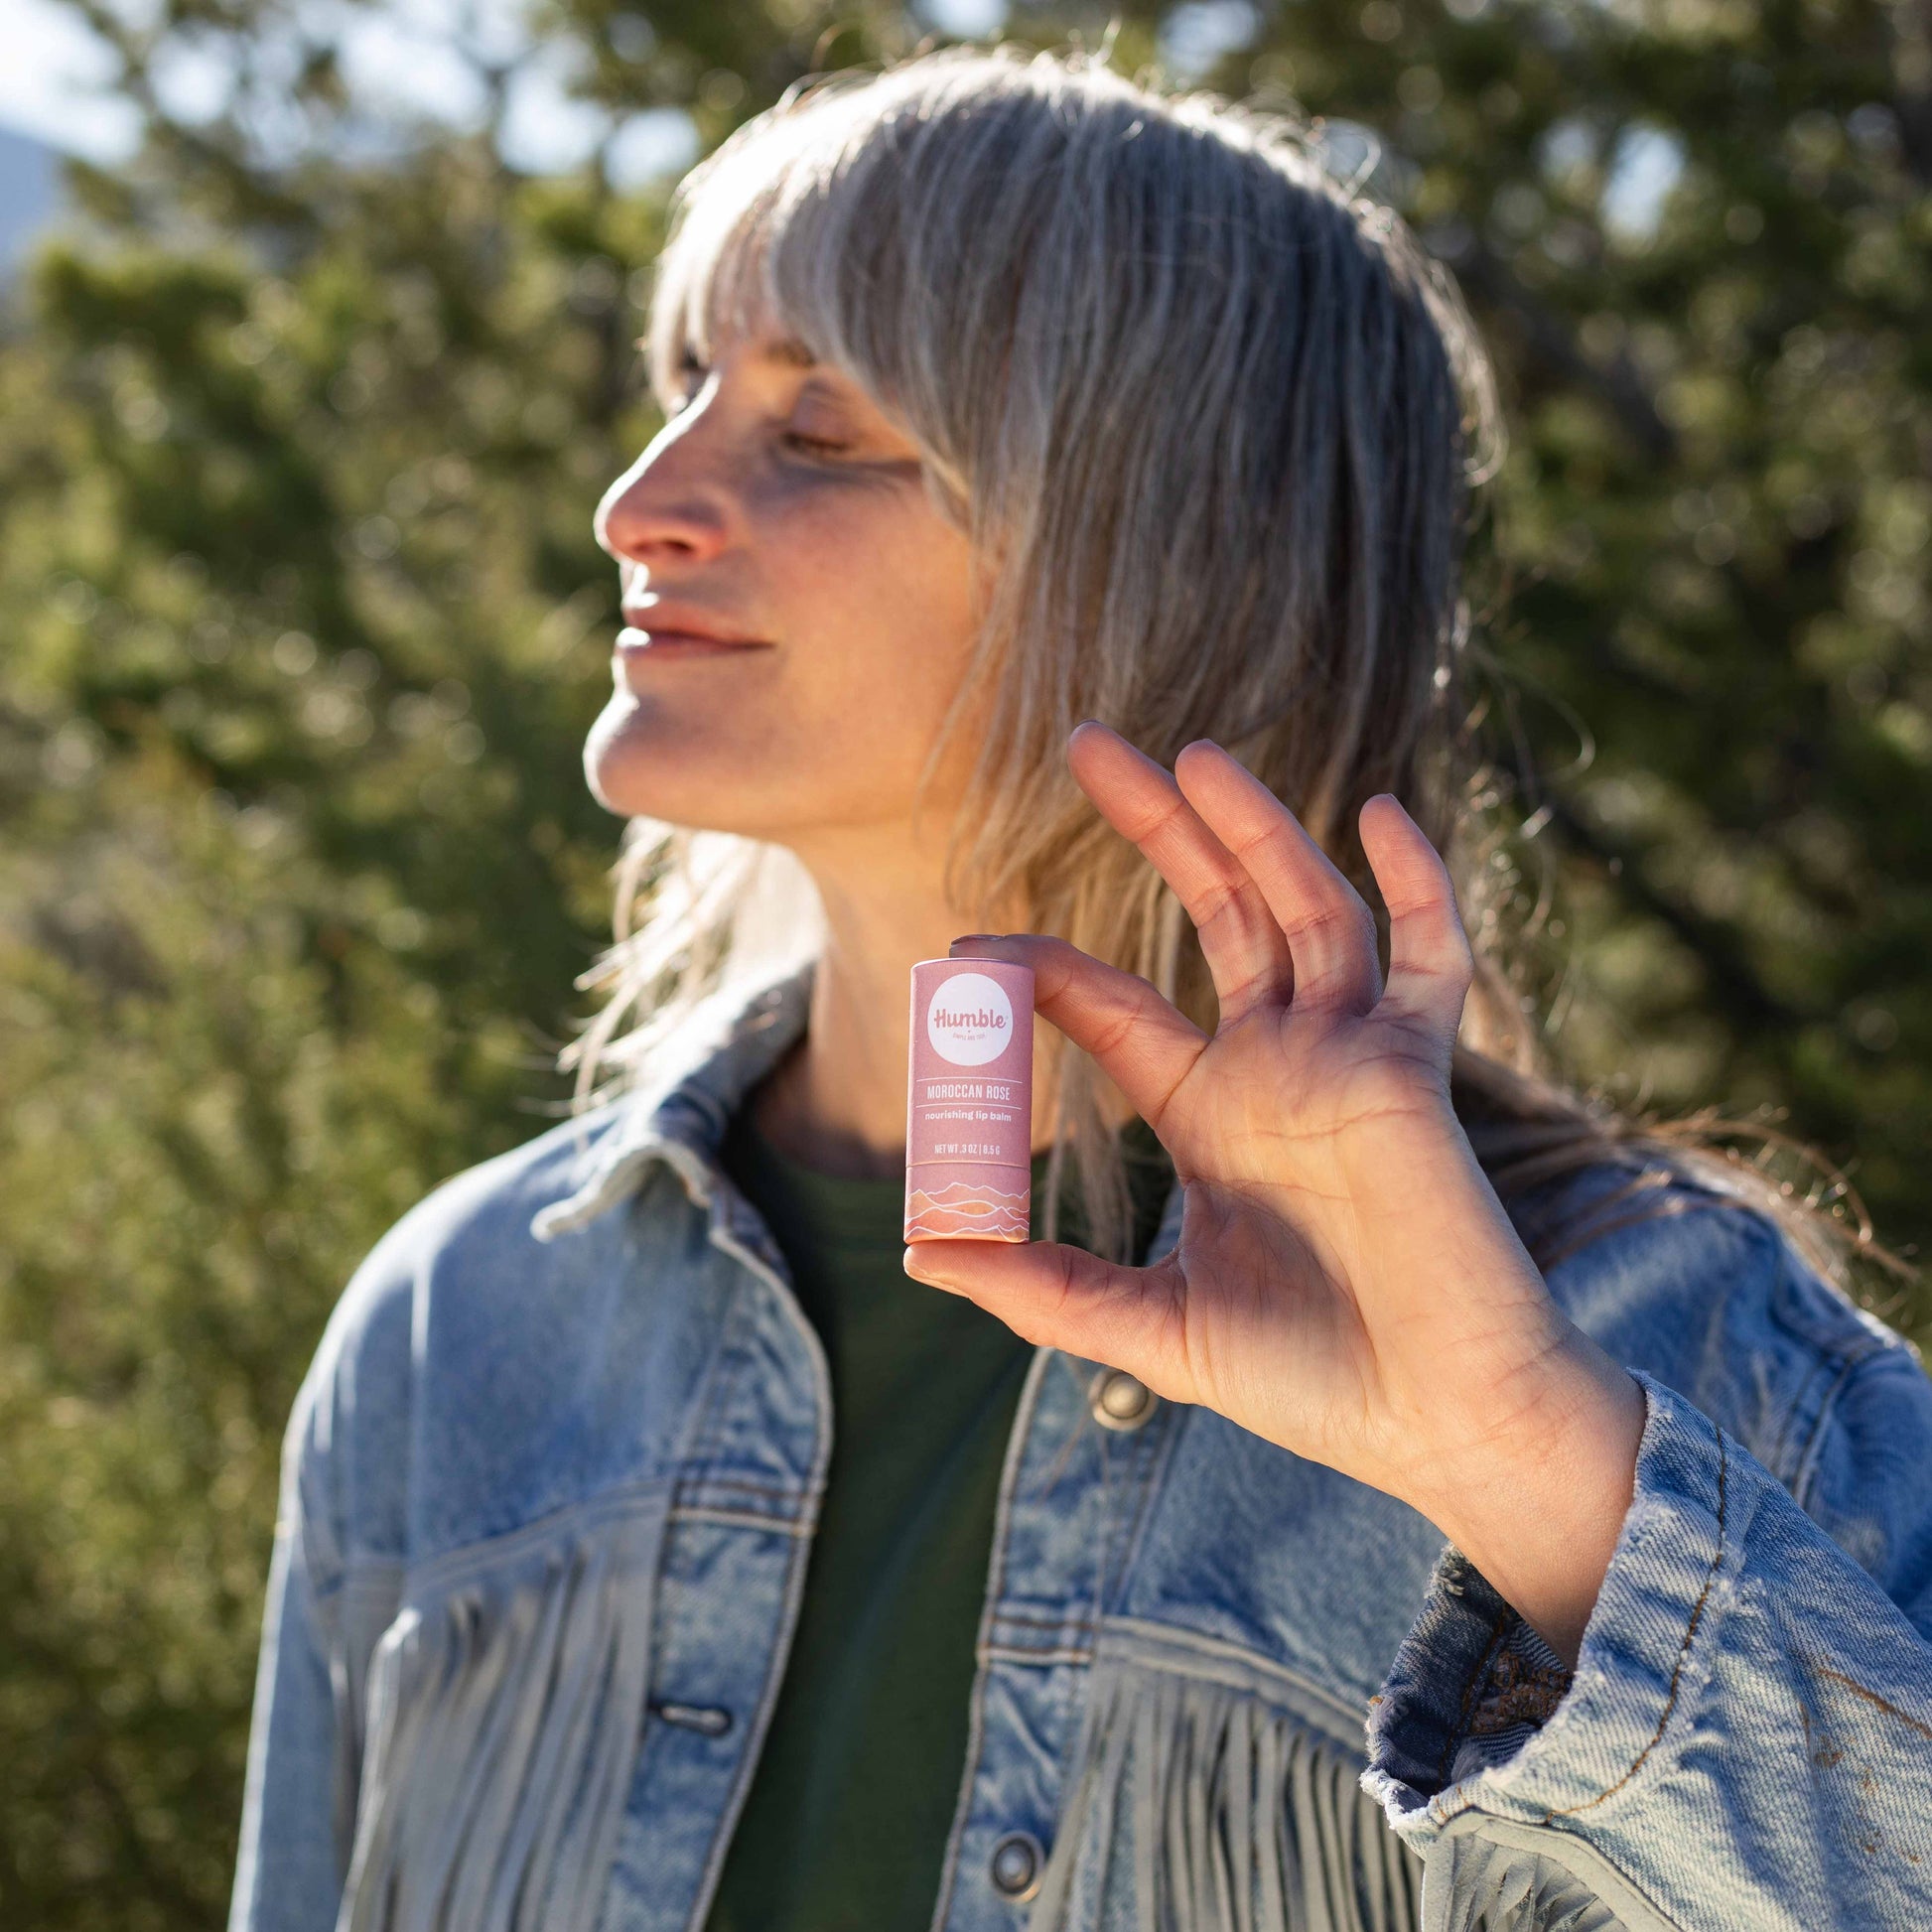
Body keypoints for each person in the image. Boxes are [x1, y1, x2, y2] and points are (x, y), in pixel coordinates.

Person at [227, 43, 1932, 1932]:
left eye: (818, 430)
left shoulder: (1687, 1363)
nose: (640, 501)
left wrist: (1525, 1468)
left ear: (1160, 543)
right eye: (683, 389)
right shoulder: (469, 1320)